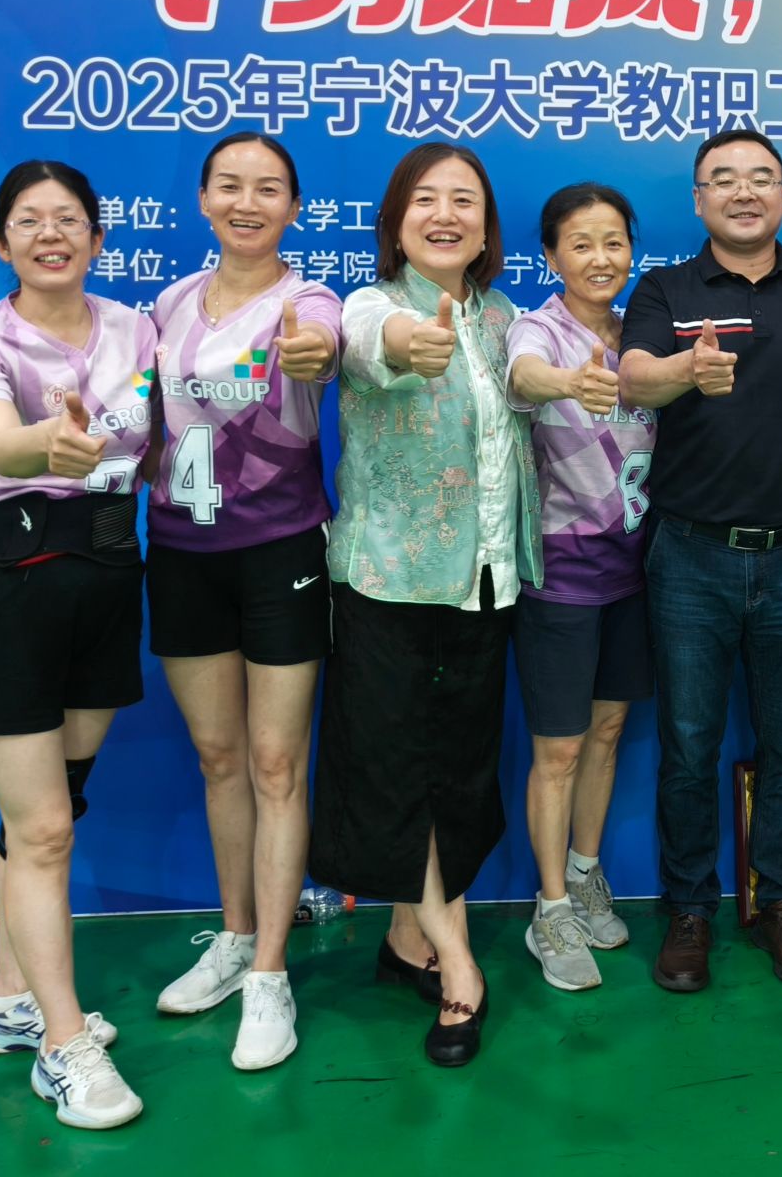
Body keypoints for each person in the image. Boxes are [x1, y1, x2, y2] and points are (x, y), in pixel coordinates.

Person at [619, 128, 782, 992]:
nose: (744, 192)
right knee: (688, 746)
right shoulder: (666, 289)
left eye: (762, 179)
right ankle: (690, 910)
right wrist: (687, 370)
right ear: (699, 199)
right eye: (724, 179)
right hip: (689, 556)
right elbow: (633, 379)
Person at [309, 141, 542, 1068]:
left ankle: (407, 941)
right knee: (398, 774)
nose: (446, 216)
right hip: (391, 583)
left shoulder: (505, 318)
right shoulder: (369, 306)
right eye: (426, 201)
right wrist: (414, 344)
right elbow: (379, 349)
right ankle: (458, 964)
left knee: (459, 773)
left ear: (486, 229)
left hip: (487, 580)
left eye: (465, 202)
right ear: (396, 222)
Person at [0, 161, 156, 1129]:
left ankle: (7, 1002)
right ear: (1, 243)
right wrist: (46, 445)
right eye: (28, 221)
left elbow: (173, 413)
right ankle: (64, 1047)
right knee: (43, 831)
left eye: (68, 219)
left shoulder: (136, 329)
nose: (50, 234)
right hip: (8, 584)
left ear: (98, 239)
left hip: (106, 575)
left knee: (53, 811)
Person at [146, 134, 340, 1071]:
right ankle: (233, 938)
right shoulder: (167, 304)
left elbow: (322, 351)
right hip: (181, 553)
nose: (247, 202)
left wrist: (311, 354)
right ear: (204, 199)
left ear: (294, 209)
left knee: (275, 763)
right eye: (230, 186)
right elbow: (148, 417)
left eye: (268, 189)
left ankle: (270, 974)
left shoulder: (309, 302)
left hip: (280, 553)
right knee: (220, 757)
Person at [504, 182, 656, 991]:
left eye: (614, 242)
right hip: (560, 573)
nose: (601, 259)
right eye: (582, 244)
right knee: (558, 749)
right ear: (552, 256)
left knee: (607, 730)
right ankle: (551, 909)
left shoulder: (643, 334)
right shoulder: (539, 328)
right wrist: (567, 383)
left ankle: (586, 873)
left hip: (637, 571)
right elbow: (524, 375)